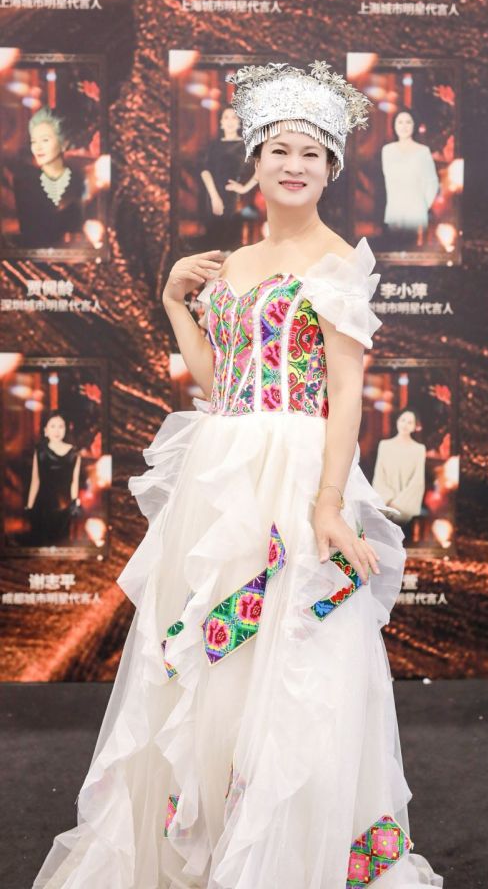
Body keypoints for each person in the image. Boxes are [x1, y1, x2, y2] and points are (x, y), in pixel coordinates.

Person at [32, 62, 442, 888]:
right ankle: (211, 843)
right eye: (279, 149)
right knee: (209, 668)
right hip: (220, 475)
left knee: (291, 664)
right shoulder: (235, 261)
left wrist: (329, 506)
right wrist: (174, 303)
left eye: (312, 153)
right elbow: (221, 384)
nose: (295, 165)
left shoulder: (339, 264)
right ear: (253, 162)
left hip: (296, 477)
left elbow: (348, 396)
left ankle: (282, 858)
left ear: (332, 169)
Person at [10, 107, 86, 250]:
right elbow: (34, 232)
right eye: (34, 141)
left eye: (45, 140)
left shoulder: (78, 177)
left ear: (63, 143)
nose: (38, 147)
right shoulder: (25, 181)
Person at [198, 105, 258, 250]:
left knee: (234, 245)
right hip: (213, 197)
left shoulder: (247, 146)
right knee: (213, 244)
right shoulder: (213, 145)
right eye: (226, 117)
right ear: (221, 122)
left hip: (237, 201)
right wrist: (214, 197)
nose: (230, 121)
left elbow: (261, 169)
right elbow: (205, 171)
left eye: (234, 117)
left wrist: (244, 189)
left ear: (239, 122)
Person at [24, 409, 81, 547]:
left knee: (62, 544)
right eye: (53, 426)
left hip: (64, 507)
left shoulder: (74, 453)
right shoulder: (40, 451)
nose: (57, 430)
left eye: (61, 426)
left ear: (66, 429)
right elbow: (35, 481)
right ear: (45, 430)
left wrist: (74, 503)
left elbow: (74, 481)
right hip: (42, 506)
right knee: (42, 544)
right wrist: (29, 506)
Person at [381, 109, 440, 241]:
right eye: (400, 122)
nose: (404, 126)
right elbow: (389, 180)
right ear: (394, 125)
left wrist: (423, 206)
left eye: (408, 122)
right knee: (394, 247)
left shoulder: (423, 151)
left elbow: (432, 182)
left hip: (416, 212)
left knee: (415, 248)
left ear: (414, 125)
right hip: (394, 212)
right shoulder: (387, 150)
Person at [372, 409, 427, 524]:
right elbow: (379, 477)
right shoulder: (384, 445)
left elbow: (417, 482)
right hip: (384, 506)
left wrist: (397, 505)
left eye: (410, 422)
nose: (405, 425)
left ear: (414, 427)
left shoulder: (419, 449)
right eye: (403, 420)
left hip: (405, 509)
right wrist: (388, 501)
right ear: (397, 421)